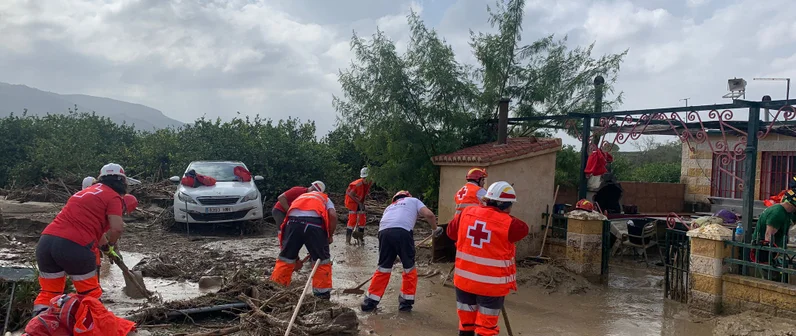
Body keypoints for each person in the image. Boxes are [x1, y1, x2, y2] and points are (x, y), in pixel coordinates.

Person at [33, 163, 128, 316]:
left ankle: (38, 327)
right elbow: (117, 228)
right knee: (90, 296)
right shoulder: (113, 196)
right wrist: (112, 243)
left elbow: (91, 228)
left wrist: (105, 248)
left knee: (49, 293)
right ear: (122, 182)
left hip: (46, 243)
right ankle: (94, 329)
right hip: (74, 247)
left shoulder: (83, 193)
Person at [446, 181, 529, 336]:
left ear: (486, 199)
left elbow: (450, 232)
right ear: (508, 205)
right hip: (491, 286)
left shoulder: (466, 213)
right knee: (486, 329)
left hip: (464, 281)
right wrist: (503, 214)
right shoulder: (509, 223)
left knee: (466, 325)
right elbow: (524, 229)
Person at [360, 191, 442, 313]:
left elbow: (389, 224)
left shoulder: (390, 207)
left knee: (383, 268)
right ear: (407, 196)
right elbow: (429, 215)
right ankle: (405, 304)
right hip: (403, 232)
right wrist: (435, 228)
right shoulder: (413, 200)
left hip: (383, 233)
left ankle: (369, 303)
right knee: (409, 268)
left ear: (395, 199)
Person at [270, 183, 338, 299]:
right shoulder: (324, 198)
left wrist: (295, 259)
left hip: (292, 223)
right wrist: (329, 235)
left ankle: (276, 289)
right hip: (314, 224)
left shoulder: (301, 196)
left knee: (286, 258)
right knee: (321, 260)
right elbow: (332, 215)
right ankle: (321, 295)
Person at [345, 167, 373, 244]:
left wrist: (362, 203)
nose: (366, 180)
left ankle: (360, 238)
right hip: (352, 202)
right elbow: (351, 194)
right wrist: (359, 203)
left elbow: (363, 194)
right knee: (352, 220)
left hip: (359, 202)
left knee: (362, 220)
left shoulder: (369, 183)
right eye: (364, 178)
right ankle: (347, 241)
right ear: (362, 178)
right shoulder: (357, 184)